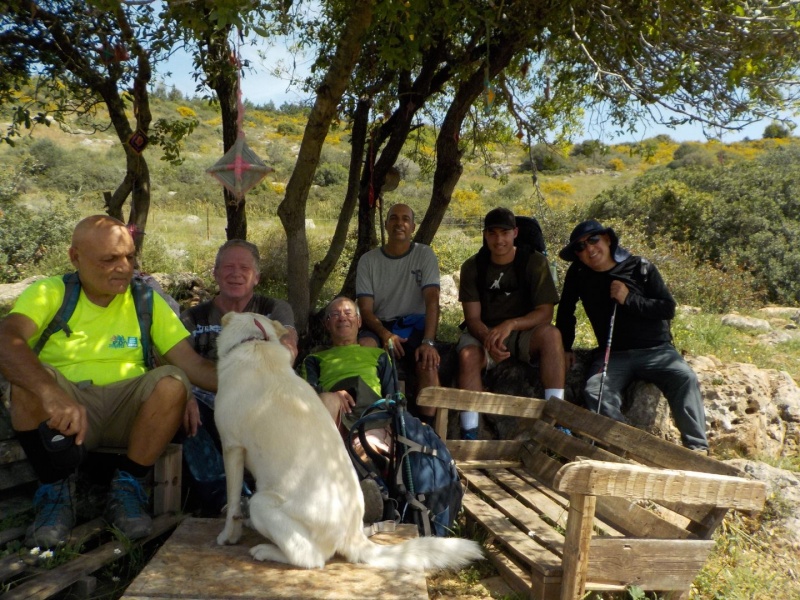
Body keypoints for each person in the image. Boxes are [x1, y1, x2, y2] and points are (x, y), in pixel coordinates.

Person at [0, 215, 216, 547]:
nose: (124, 268)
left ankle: (128, 486)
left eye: (129, 257)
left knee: (173, 380)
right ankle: (55, 491)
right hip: (64, 414)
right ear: (75, 257)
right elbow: (7, 340)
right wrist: (50, 392)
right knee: (28, 381)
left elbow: (195, 366)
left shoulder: (145, 299)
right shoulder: (50, 293)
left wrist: (267, 382)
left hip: (125, 415)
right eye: (110, 259)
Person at [555, 219, 708, 452]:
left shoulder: (640, 267)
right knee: (595, 391)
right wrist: (565, 347)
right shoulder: (578, 274)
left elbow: (667, 308)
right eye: (580, 247)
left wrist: (629, 299)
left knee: (684, 378)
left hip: (656, 350)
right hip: (613, 354)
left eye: (593, 240)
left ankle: (697, 450)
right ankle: (625, 445)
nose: (589, 249)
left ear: (607, 240)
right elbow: (566, 310)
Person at [179, 239, 298, 513]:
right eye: (228, 267)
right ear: (216, 274)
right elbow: (176, 361)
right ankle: (225, 499)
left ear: (256, 277)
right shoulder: (191, 318)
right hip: (207, 399)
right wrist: (183, 393)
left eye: (244, 267)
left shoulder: (273, 310)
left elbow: (288, 348)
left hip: (261, 396)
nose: (236, 273)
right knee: (183, 412)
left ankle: (289, 496)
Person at [457, 207, 565, 439]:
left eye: (504, 233)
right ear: (485, 235)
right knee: (468, 356)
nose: (499, 240)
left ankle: (557, 420)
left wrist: (511, 324)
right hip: (484, 331)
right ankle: (470, 430)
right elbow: (472, 318)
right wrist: (488, 338)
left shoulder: (534, 263)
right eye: (493, 233)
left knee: (551, 335)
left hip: (523, 330)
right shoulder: (472, 267)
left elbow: (545, 313)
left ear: (515, 233)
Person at [300, 296, 397, 524]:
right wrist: (335, 393)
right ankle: (364, 497)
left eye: (348, 313)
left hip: (369, 414)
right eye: (334, 314)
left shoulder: (379, 356)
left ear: (359, 322)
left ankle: (370, 496)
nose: (342, 317)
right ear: (327, 325)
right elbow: (306, 394)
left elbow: (393, 398)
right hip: (332, 417)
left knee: (365, 446)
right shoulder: (314, 359)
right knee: (325, 399)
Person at [355, 203, 440, 422]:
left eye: (405, 219)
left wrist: (429, 341)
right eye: (393, 218)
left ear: (412, 226)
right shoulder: (369, 260)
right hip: (380, 324)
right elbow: (365, 309)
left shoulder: (424, 254)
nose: (399, 223)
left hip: (414, 325)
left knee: (427, 361)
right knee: (366, 349)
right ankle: (371, 418)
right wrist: (384, 334)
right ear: (386, 224)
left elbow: (432, 300)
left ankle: (426, 428)